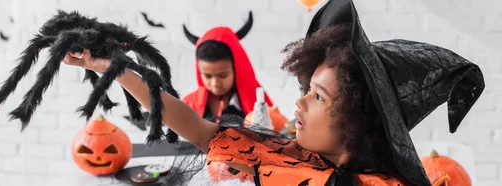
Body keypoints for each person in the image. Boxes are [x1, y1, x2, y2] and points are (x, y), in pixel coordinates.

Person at [62, 0, 485, 185]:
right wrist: (113, 68)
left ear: (359, 122)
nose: (299, 101)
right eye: (307, 88)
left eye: (318, 96)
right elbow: (195, 127)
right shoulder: (283, 157)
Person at [181, 13, 288, 133]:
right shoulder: (190, 104)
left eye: (223, 75)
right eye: (208, 76)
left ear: (237, 68)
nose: (215, 83)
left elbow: (278, 131)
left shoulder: (256, 101)